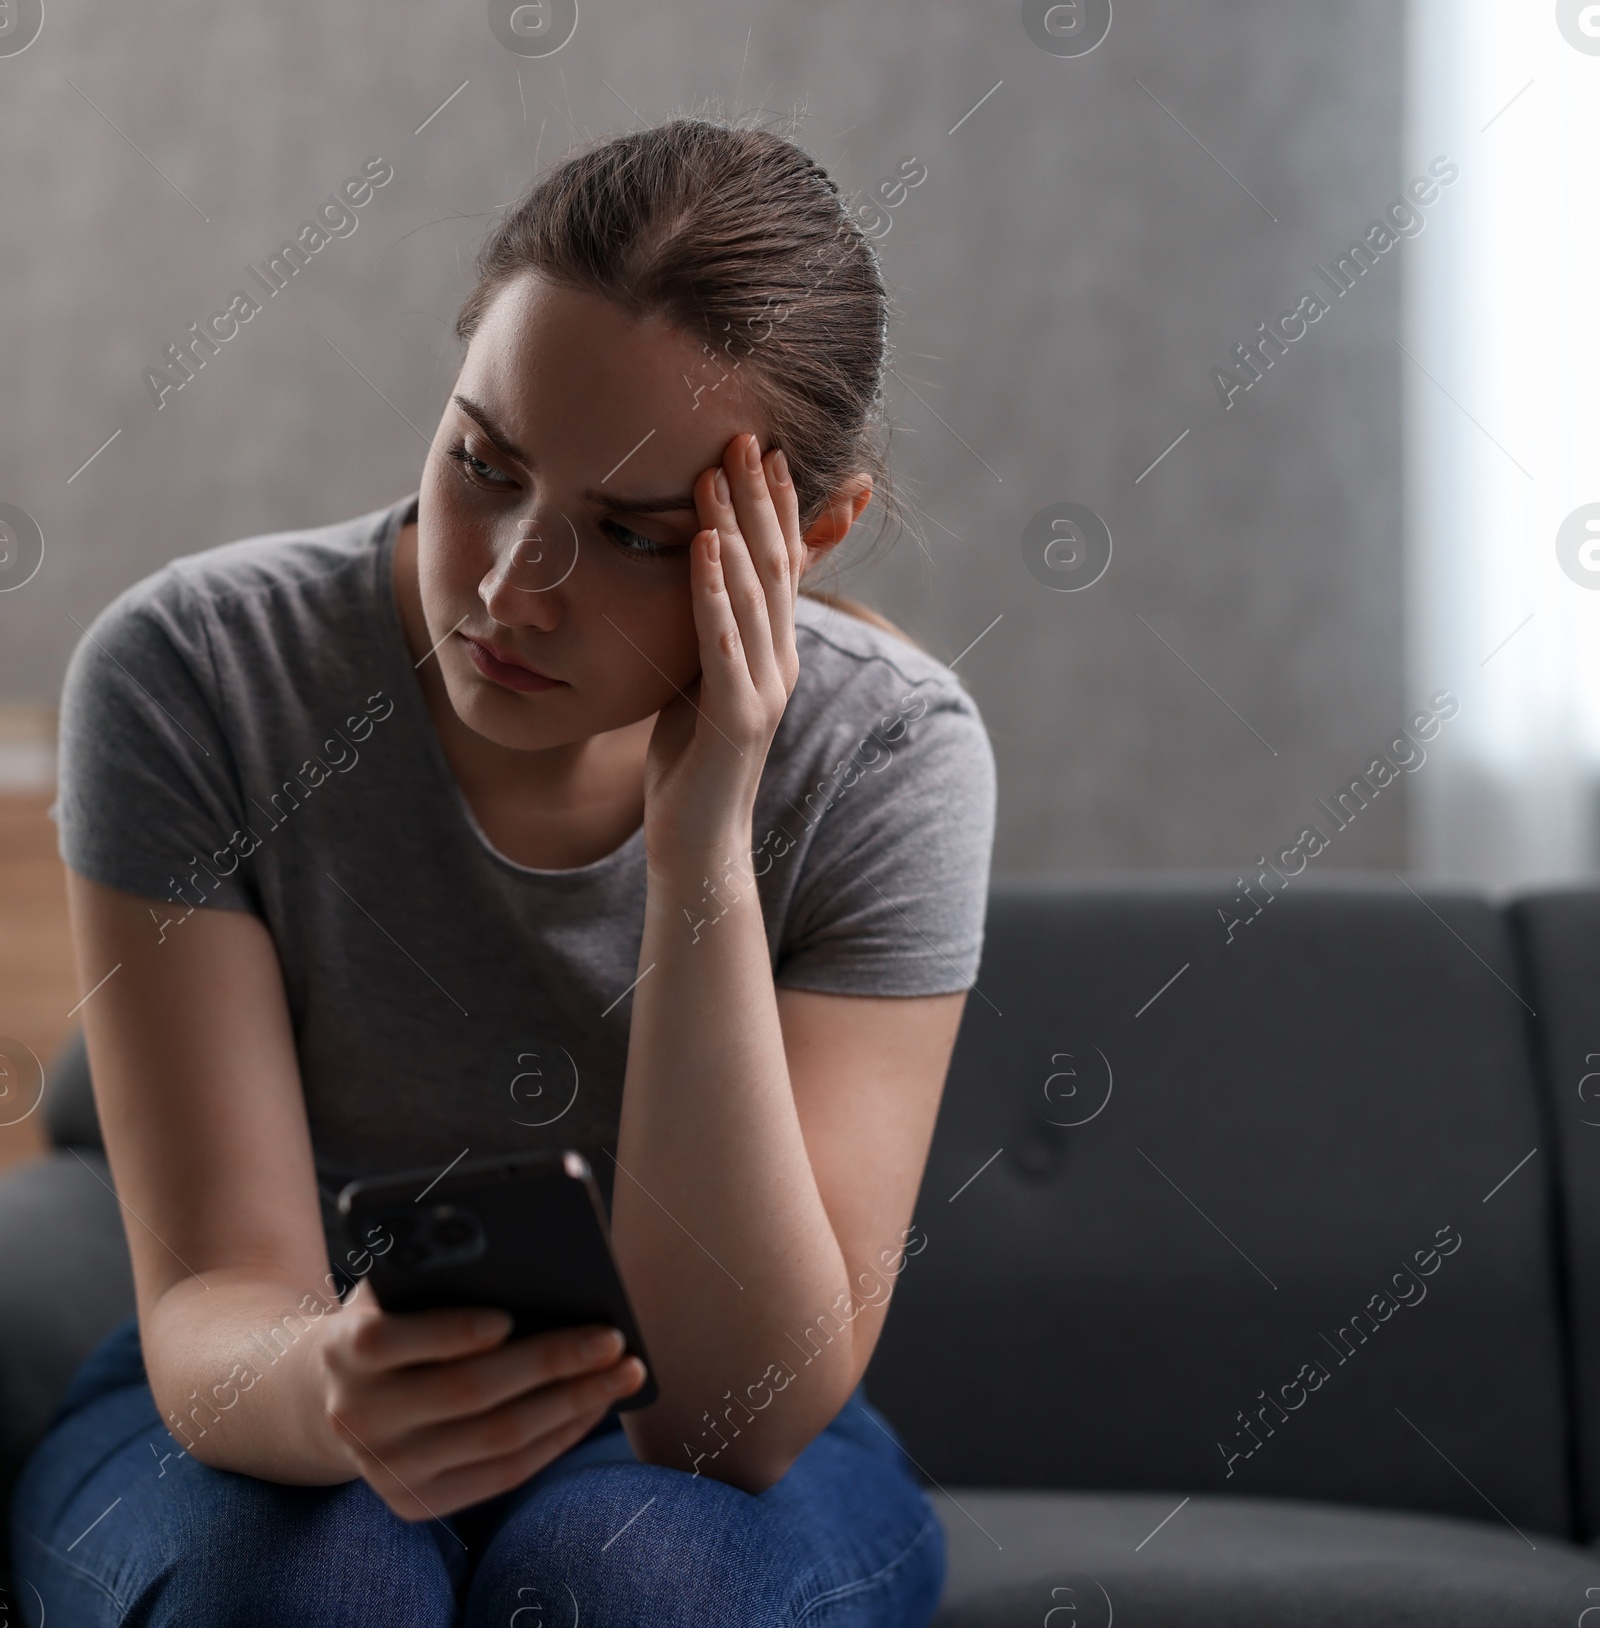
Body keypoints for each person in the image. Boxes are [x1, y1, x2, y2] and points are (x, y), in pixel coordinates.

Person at [10, 117, 997, 1626]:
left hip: (699, 1457)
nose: (508, 586)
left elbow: (722, 1423)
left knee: (647, 1583)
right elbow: (219, 1295)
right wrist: (333, 1387)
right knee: (308, 1580)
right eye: (486, 463)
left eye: (631, 535)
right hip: (274, 1382)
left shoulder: (890, 754)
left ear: (805, 538)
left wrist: (704, 851)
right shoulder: (198, 673)